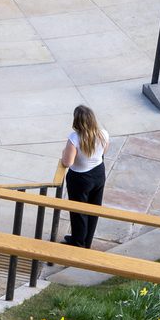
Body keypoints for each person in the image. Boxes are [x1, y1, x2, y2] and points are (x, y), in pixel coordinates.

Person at [57, 105, 110, 248]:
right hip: (98, 174)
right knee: (94, 209)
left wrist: (64, 153)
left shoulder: (75, 138)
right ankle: (86, 242)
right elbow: (104, 151)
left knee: (78, 212)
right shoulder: (103, 134)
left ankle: (78, 243)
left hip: (80, 179)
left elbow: (67, 162)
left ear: (77, 121)